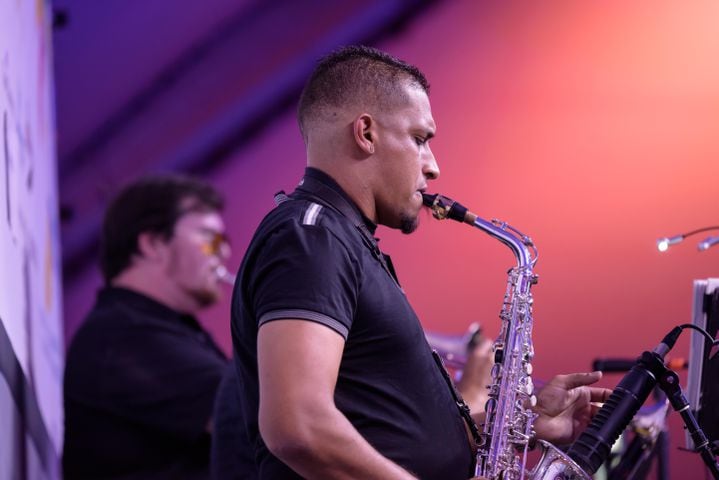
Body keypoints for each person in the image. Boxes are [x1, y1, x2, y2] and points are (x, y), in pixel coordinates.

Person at [228, 45, 610, 479]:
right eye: (420, 139)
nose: (434, 168)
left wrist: (518, 424)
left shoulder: (343, 240)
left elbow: (389, 432)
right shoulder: (311, 236)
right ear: (366, 133)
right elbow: (297, 427)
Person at [63, 175, 232, 479]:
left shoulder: (162, 328)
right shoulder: (122, 335)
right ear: (152, 243)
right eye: (210, 238)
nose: (224, 252)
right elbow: (260, 415)